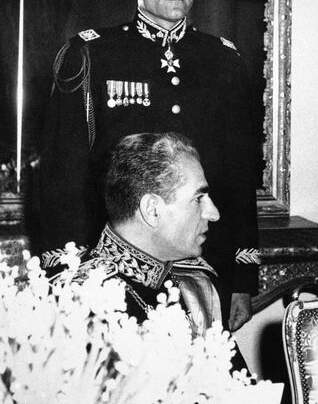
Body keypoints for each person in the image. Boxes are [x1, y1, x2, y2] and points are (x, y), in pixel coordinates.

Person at [39, 0, 260, 332]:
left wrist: (242, 278)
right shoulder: (91, 55)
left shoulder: (224, 61)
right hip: (115, 277)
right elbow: (62, 178)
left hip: (203, 272)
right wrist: (65, 272)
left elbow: (237, 176)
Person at [72, 132, 247, 372]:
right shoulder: (80, 302)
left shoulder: (196, 285)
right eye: (198, 199)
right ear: (152, 210)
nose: (213, 213)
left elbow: (242, 393)